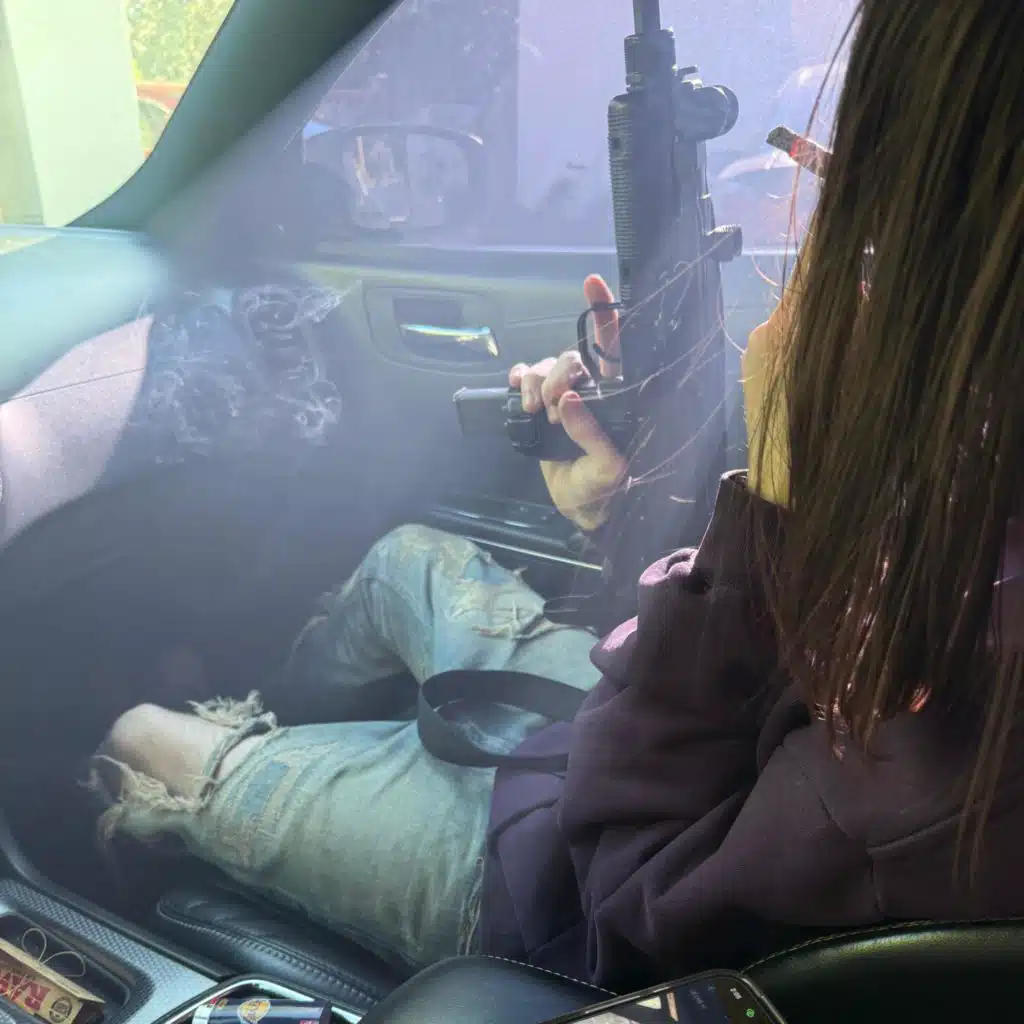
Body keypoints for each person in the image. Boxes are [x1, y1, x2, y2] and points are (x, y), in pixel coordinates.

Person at [92, 0, 1024, 992]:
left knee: (138, 740)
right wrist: (629, 504)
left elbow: (633, 906)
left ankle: (257, 783)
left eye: (866, 202)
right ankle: (294, 747)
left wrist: (775, 507)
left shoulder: (970, 754)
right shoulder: (985, 460)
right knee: (406, 559)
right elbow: (783, 671)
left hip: (552, 891)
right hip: (624, 753)